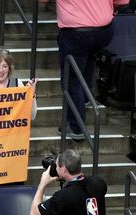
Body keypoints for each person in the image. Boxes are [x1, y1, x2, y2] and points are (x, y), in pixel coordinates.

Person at [39, 0, 129, 140]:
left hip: (76, 33)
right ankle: (86, 98)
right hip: (103, 31)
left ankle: (76, 127)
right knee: (90, 57)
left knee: (71, 80)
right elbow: (122, 2)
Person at [30, 149, 108, 215]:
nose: (56, 168)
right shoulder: (99, 182)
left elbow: (34, 214)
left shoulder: (63, 196)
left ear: (63, 169)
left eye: (57, 166)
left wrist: (42, 184)